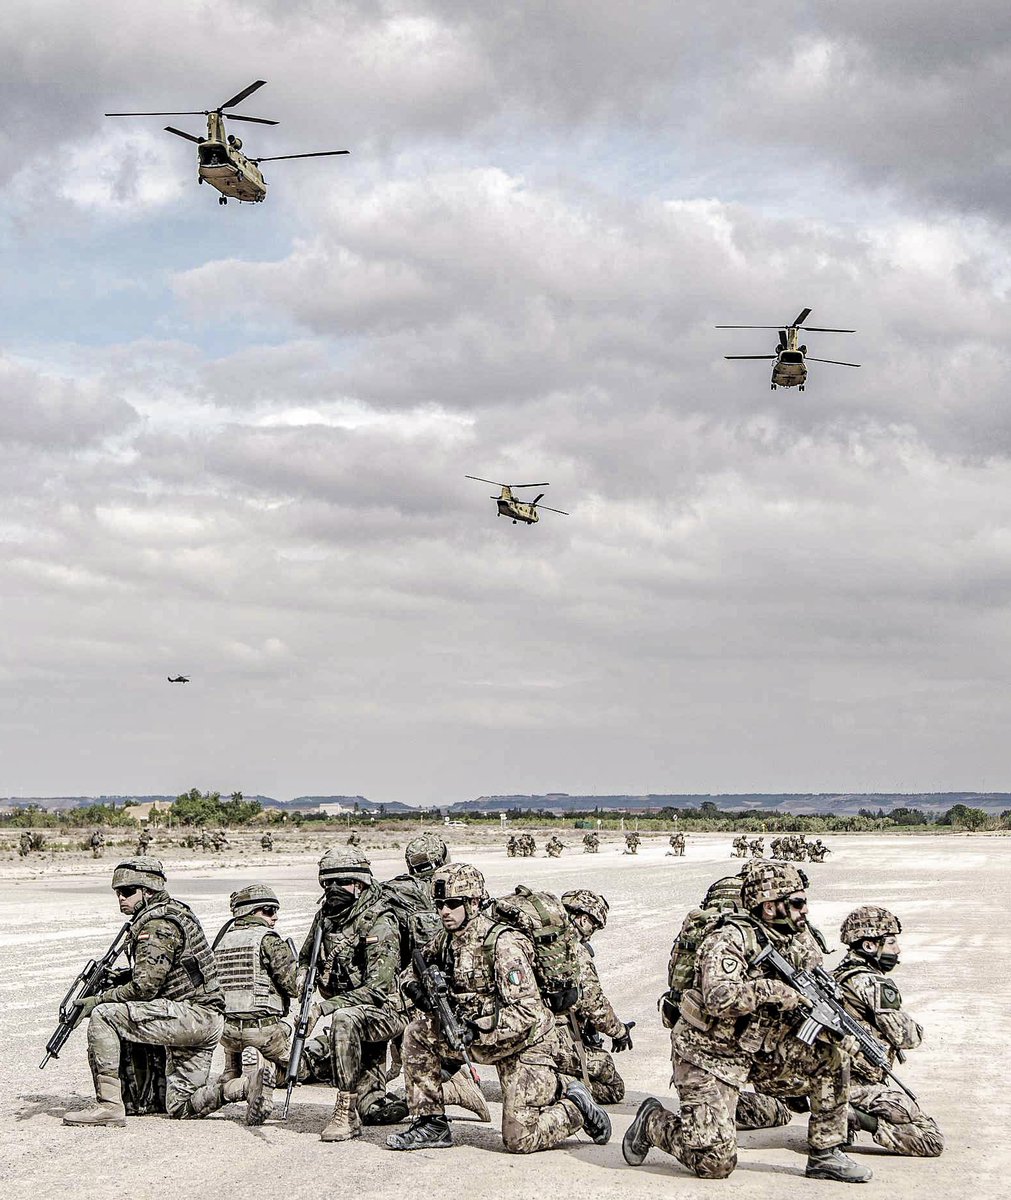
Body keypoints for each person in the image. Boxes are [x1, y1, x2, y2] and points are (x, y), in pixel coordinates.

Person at [623, 860, 869, 1184]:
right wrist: (772, 991)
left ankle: (826, 1154)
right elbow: (719, 999)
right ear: (769, 907)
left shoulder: (797, 942)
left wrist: (832, 1026)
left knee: (833, 1058)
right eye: (797, 903)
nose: (805, 910)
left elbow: (809, 997)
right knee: (715, 1163)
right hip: (708, 1054)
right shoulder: (728, 939)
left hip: (757, 1050)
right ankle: (653, 1122)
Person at [387, 863, 610, 1154]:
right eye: (439, 904)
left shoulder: (503, 944)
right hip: (473, 1036)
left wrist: (477, 1028)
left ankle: (572, 1101)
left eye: (452, 904)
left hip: (524, 1044)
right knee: (417, 1033)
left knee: (519, 1139)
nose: (444, 912)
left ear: (473, 903)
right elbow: (411, 969)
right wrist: (415, 989)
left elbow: (527, 1011)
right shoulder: (446, 939)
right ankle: (430, 1123)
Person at [63, 857, 231, 1127]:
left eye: (128, 891)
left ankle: (108, 1106)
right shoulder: (175, 912)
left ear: (148, 891)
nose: (121, 898)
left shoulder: (156, 925)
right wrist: (124, 976)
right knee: (180, 1106)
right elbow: (167, 970)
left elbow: (144, 989)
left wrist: (98, 1000)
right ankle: (241, 1088)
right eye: (118, 892)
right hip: (205, 1019)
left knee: (104, 1015)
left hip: (190, 1017)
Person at [299, 848, 407, 1141]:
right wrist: (303, 981)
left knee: (344, 1019)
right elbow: (305, 958)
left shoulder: (380, 921)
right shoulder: (327, 917)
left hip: (386, 1013)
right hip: (353, 1013)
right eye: (328, 883)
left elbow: (377, 990)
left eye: (343, 882)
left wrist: (322, 1008)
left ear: (360, 884)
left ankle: (345, 1114)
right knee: (371, 1109)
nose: (334, 889)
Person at [834, 906, 943, 1157]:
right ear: (870, 945)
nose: (897, 950)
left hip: (839, 1075)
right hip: (854, 1083)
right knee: (931, 1140)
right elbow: (907, 1037)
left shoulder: (838, 975)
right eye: (891, 943)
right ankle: (850, 1115)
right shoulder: (872, 982)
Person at [196, 883, 299, 1124]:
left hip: (226, 1034)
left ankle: (232, 1072)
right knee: (300, 1067)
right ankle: (263, 1071)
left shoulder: (220, 941)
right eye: (268, 911)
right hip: (263, 1032)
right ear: (251, 912)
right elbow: (294, 987)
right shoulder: (268, 940)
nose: (275, 917)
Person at [559, 889, 633, 1104]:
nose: (591, 935)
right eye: (594, 926)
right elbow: (594, 1006)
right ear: (583, 919)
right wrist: (620, 1032)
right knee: (614, 1088)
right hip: (552, 1039)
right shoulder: (573, 949)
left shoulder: (537, 941)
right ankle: (554, 1084)